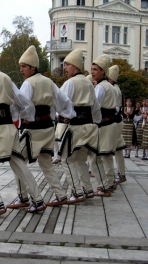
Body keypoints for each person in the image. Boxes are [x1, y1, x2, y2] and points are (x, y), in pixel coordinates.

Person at [0, 43, 45, 216]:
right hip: (8, 127)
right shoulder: (5, 78)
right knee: (19, 163)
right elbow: (23, 101)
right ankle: (38, 199)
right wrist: (25, 116)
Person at [7, 45, 76, 209]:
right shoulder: (49, 82)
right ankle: (60, 195)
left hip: (34, 130)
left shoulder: (28, 83)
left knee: (16, 159)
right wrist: (68, 114)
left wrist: (21, 116)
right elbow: (64, 102)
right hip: (48, 129)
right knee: (46, 164)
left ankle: (26, 197)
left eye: (24, 66)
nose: (22, 69)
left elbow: (21, 104)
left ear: (32, 67)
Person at [59, 49, 102, 203]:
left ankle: (77, 192)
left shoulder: (71, 83)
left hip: (76, 126)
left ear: (75, 67)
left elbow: (61, 102)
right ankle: (88, 189)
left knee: (66, 159)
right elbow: (95, 106)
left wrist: (64, 115)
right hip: (88, 126)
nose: (65, 68)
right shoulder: (88, 83)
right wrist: (97, 120)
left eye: (67, 65)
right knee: (80, 160)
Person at [90, 54, 118, 194]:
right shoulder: (110, 86)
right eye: (92, 69)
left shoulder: (101, 87)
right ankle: (109, 183)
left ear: (103, 71)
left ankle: (106, 185)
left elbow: (94, 106)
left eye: (95, 69)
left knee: (99, 157)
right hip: (109, 124)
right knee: (105, 157)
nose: (92, 71)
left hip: (104, 125)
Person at [108, 65, 127, 184]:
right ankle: (121, 173)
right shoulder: (115, 87)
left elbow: (114, 107)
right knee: (118, 149)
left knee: (114, 148)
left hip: (114, 121)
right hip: (117, 121)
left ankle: (119, 174)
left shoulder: (113, 88)